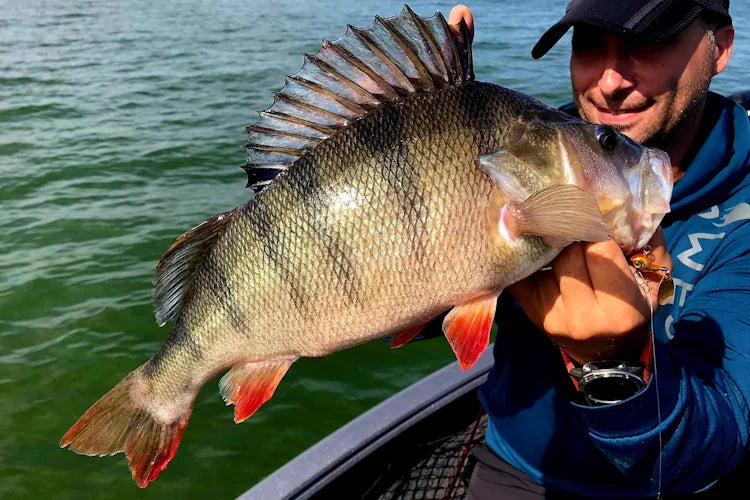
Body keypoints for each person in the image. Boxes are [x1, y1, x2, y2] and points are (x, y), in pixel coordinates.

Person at [446, 1, 750, 499]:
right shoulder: (542, 147)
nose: (609, 83)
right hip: (517, 466)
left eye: (648, 44)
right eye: (589, 45)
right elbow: (435, 294)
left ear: (720, 47)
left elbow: (720, 436)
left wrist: (615, 364)